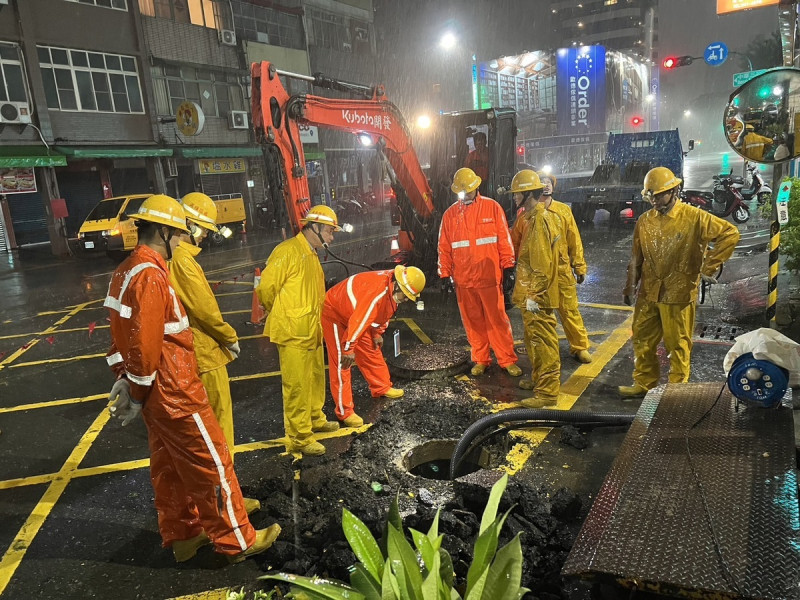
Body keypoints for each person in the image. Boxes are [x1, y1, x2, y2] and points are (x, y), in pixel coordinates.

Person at [104, 194, 280, 564]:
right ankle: (238, 541)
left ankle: (184, 535)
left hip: (156, 392)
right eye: (180, 235)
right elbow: (148, 344)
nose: (184, 241)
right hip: (174, 388)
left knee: (169, 466)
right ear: (165, 232)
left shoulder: (127, 269)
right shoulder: (151, 275)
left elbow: (123, 335)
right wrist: (136, 390)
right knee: (210, 460)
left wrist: (125, 379)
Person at [619, 167, 740, 398]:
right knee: (642, 340)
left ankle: (676, 393)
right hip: (649, 292)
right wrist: (630, 285)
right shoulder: (645, 221)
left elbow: (730, 233)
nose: (654, 200)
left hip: (679, 293)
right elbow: (636, 257)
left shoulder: (694, 217)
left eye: (659, 195)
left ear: (674, 191)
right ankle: (644, 383)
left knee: (678, 345)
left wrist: (710, 266)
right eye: (651, 196)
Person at [257, 205, 341, 456]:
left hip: (310, 330)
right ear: (313, 227)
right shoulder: (288, 251)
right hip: (293, 332)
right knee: (296, 386)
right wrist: (283, 314)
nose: (331, 237)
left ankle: (315, 418)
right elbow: (265, 289)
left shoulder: (311, 253)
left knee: (314, 378)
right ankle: (300, 436)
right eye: (329, 231)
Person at [169, 193, 242, 459]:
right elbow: (205, 310)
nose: (203, 237)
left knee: (204, 429)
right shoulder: (182, 260)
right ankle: (227, 496)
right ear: (190, 225)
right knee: (219, 425)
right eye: (202, 229)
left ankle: (219, 494)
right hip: (206, 354)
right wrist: (229, 337)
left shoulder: (172, 257)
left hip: (192, 353)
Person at [438, 167, 521, 377]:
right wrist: (444, 274)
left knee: (497, 321)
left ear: (476, 188)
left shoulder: (492, 208)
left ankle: (507, 359)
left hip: (489, 277)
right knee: (473, 323)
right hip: (464, 280)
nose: (464, 195)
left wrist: (509, 266)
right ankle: (481, 358)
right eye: (461, 192)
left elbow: (504, 239)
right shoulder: (450, 216)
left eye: (467, 191)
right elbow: (444, 247)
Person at [322, 266, 426, 426]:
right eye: (405, 296)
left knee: (371, 348)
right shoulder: (377, 293)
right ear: (398, 285)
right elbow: (361, 319)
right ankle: (345, 412)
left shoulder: (392, 290)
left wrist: (377, 333)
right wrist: (348, 348)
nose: (406, 300)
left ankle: (381, 386)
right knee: (342, 363)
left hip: (355, 314)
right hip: (335, 313)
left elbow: (383, 312)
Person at [510, 171, 592, 369]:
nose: (546, 185)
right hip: (540, 278)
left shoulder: (563, 211)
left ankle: (579, 346)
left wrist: (578, 264)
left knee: (569, 310)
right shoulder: (525, 217)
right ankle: (542, 363)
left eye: (549, 182)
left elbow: (574, 239)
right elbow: (516, 243)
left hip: (561, 271)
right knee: (539, 323)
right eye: (542, 182)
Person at [510, 172, 563, 407]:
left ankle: (548, 392)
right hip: (531, 293)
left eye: (518, 193)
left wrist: (533, 295)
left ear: (529, 194)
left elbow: (541, 265)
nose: (514, 197)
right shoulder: (531, 218)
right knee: (533, 340)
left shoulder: (539, 221)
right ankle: (539, 379)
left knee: (544, 341)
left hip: (537, 296)